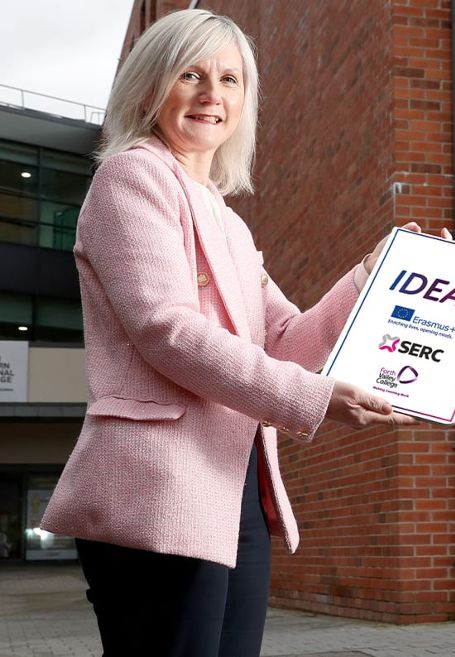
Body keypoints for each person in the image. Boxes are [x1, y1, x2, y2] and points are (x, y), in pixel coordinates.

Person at [39, 9, 425, 656]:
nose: (211, 93)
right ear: (149, 85)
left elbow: (285, 342)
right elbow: (168, 331)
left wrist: (367, 274)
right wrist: (315, 398)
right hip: (156, 490)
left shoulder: (230, 223)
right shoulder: (131, 176)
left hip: (235, 487)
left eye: (229, 79)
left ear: (245, 101)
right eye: (190, 73)